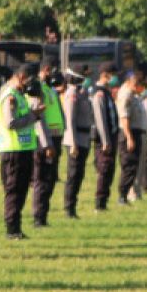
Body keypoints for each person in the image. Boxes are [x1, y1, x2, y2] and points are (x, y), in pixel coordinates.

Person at [0, 62, 48, 239]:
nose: (29, 85)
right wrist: (33, 116)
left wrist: (35, 113)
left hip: (24, 149)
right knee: (14, 191)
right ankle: (12, 229)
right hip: (13, 150)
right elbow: (10, 123)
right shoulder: (9, 96)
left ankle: (16, 227)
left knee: (21, 191)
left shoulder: (19, 95)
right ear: (20, 77)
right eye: (27, 81)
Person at [30, 63, 65, 227]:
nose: (51, 74)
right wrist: (46, 143)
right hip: (44, 139)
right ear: (43, 71)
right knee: (42, 179)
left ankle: (44, 215)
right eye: (49, 71)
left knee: (50, 179)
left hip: (55, 138)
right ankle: (38, 217)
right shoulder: (37, 89)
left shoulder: (50, 89)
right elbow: (38, 117)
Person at [60, 68, 93, 219]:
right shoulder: (72, 94)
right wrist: (73, 143)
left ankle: (73, 205)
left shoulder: (83, 93)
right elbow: (70, 119)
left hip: (84, 138)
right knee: (73, 174)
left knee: (79, 174)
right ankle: (69, 207)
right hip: (75, 138)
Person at [91, 63, 120, 210]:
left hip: (112, 136)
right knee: (104, 169)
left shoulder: (106, 92)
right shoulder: (99, 94)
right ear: (105, 74)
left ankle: (104, 200)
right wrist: (105, 140)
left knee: (109, 169)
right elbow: (100, 119)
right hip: (104, 139)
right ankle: (99, 203)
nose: (114, 78)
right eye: (112, 74)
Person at [116, 69, 146, 205]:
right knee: (128, 166)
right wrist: (129, 137)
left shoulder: (133, 95)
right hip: (129, 133)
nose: (138, 88)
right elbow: (124, 118)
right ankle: (122, 196)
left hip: (135, 133)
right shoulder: (126, 95)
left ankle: (126, 194)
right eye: (136, 85)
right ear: (130, 83)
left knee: (133, 166)